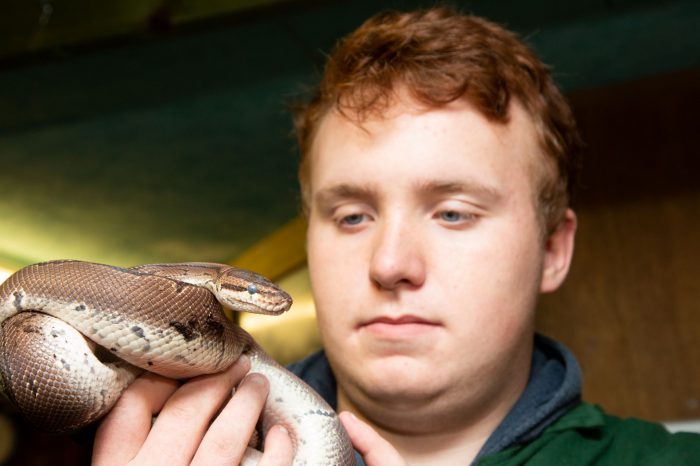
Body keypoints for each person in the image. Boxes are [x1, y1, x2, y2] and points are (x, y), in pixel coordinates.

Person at [92, 6, 700, 466]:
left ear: (552, 250)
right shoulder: (159, 445)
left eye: (454, 213)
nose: (390, 263)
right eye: (352, 216)